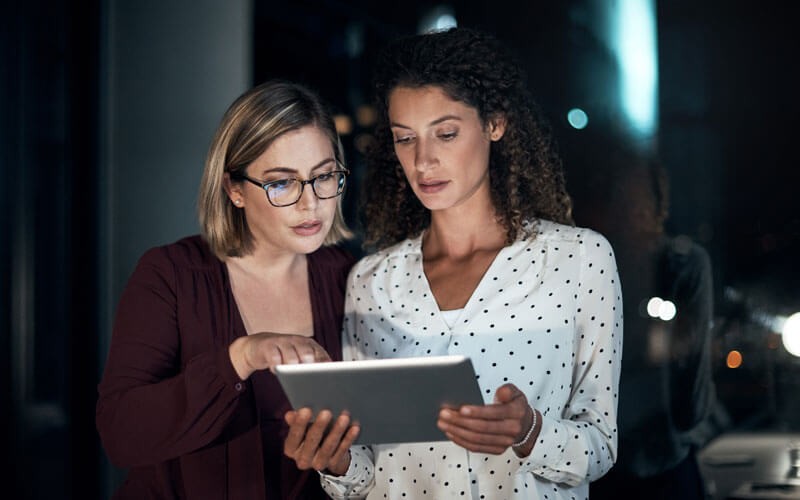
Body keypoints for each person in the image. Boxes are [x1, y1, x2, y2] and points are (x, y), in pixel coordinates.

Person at [283, 27, 623, 499]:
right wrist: (335, 460)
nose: (424, 160)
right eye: (405, 139)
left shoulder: (579, 260)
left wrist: (529, 433)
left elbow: (601, 447)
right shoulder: (371, 280)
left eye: (446, 133)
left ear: (495, 124)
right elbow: (364, 476)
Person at [96, 80, 357, 500]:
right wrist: (240, 357)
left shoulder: (351, 277)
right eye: (282, 183)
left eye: (323, 176)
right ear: (234, 189)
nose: (311, 204)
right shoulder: (170, 274)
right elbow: (121, 434)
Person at [561, 129, 717, 500]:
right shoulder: (682, 265)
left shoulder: (577, 270)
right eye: (620, 198)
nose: (629, 210)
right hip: (650, 467)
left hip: (609, 469)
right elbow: (692, 408)